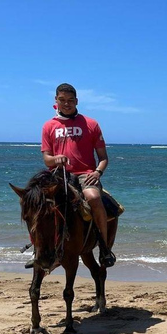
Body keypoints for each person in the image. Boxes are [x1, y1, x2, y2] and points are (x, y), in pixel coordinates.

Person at [38, 83, 115, 268]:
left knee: (94, 197)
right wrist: (57, 159)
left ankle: (104, 248)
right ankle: (39, 251)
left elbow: (104, 158)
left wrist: (97, 172)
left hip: (85, 174)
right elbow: (47, 160)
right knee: (35, 204)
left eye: (70, 100)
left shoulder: (91, 124)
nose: (67, 104)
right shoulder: (49, 126)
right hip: (58, 175)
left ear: (77, 101)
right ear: (56, 101)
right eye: (62, 100)